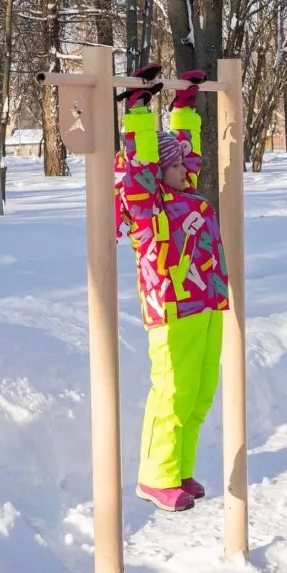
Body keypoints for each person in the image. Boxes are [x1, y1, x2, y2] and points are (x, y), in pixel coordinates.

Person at [117, 66, 230, 513]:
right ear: (160, 172)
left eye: (185, 163)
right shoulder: (149, 203)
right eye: (177, 165)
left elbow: (191, 151)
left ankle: (180, 468)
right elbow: (141, 163)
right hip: (171, 306)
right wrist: (139, 110)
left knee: (200, 390)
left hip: (206, 301)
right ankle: (155, 476)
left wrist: (185, 107)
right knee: (173, 391)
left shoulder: (187, 194)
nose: (187, 168)